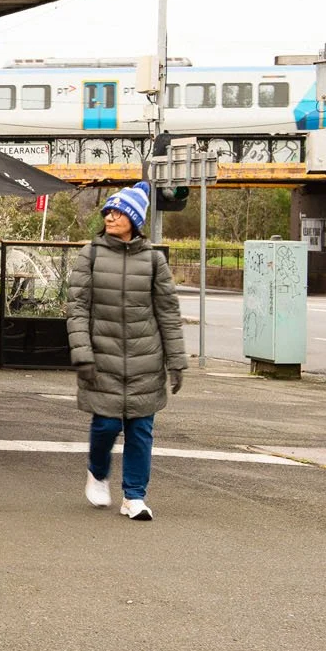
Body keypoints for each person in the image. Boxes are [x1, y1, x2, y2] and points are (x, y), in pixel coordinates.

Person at [66, 182, 187, 521]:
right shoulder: (89, 255)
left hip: (145, 359)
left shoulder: (153, 261)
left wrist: (176, 361)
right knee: (105, 425)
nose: (110, 216)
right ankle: (97, 471)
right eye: (108, 211)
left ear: (134, 219)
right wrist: (83, 354)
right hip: (102, 356)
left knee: (140, 429)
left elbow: (168, 312)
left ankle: (134, 496)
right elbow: (76, 307)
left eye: (118, 212)